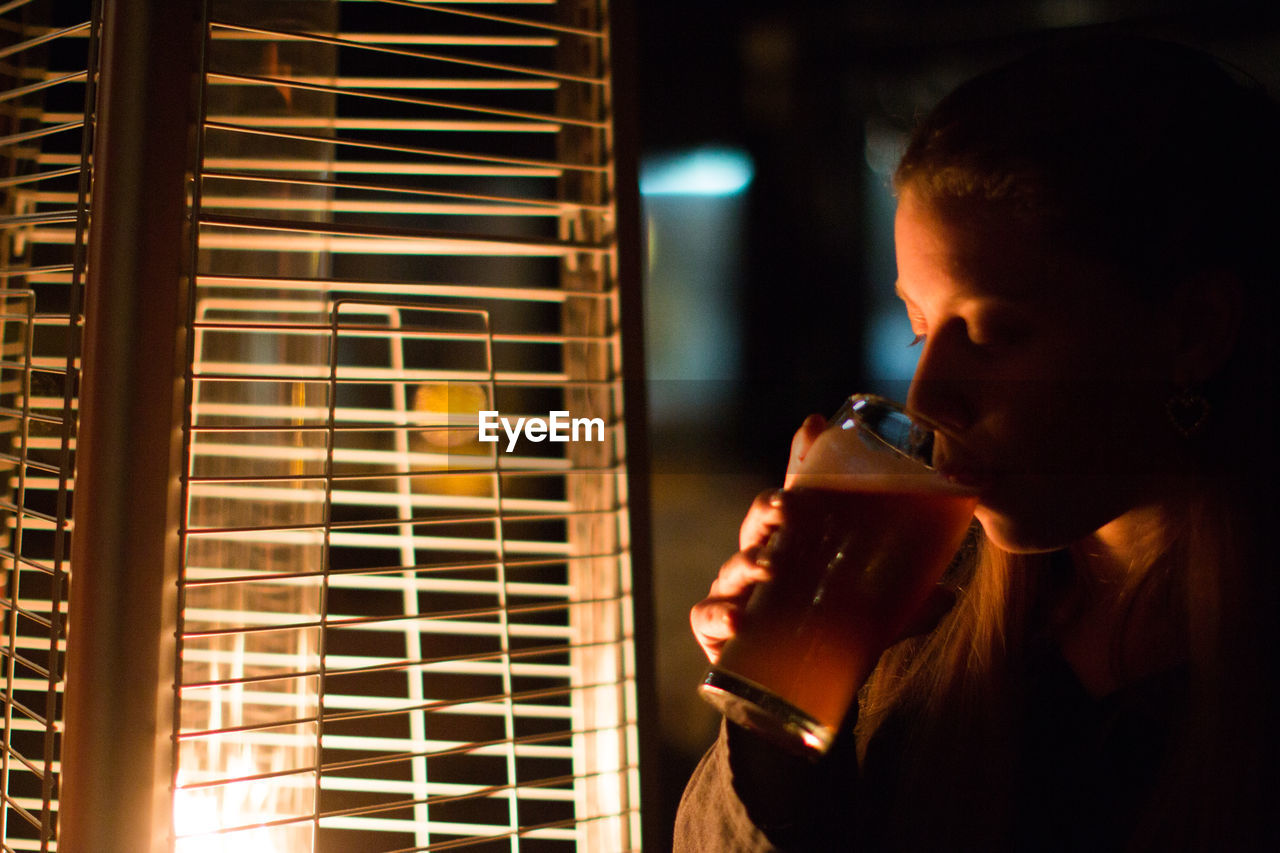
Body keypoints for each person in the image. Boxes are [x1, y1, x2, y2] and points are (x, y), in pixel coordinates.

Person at [674, 35, 1279, 853]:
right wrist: (782, 685)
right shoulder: (922, 624)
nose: (929, 398)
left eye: (992, 334)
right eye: (922, 330)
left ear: (1192, 331)